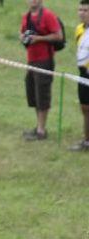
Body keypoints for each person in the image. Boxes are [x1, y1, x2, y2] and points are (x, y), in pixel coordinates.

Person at [20, 0, 63, 141]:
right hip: (31, 61)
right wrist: (23, 38)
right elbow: (22, 34)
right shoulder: (26, 17)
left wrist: (39, 39)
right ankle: (38, 126)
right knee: (33, 94)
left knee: (42, 95)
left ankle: (41, 130)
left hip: (45, 60)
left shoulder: (48, 15)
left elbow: (58, 36)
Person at [71, 0, 89, 151]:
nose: (82, 13)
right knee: (85, 108)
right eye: (80, 10)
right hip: (83, 74)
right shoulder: (78, 29)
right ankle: (86, 140)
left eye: (86, 10)